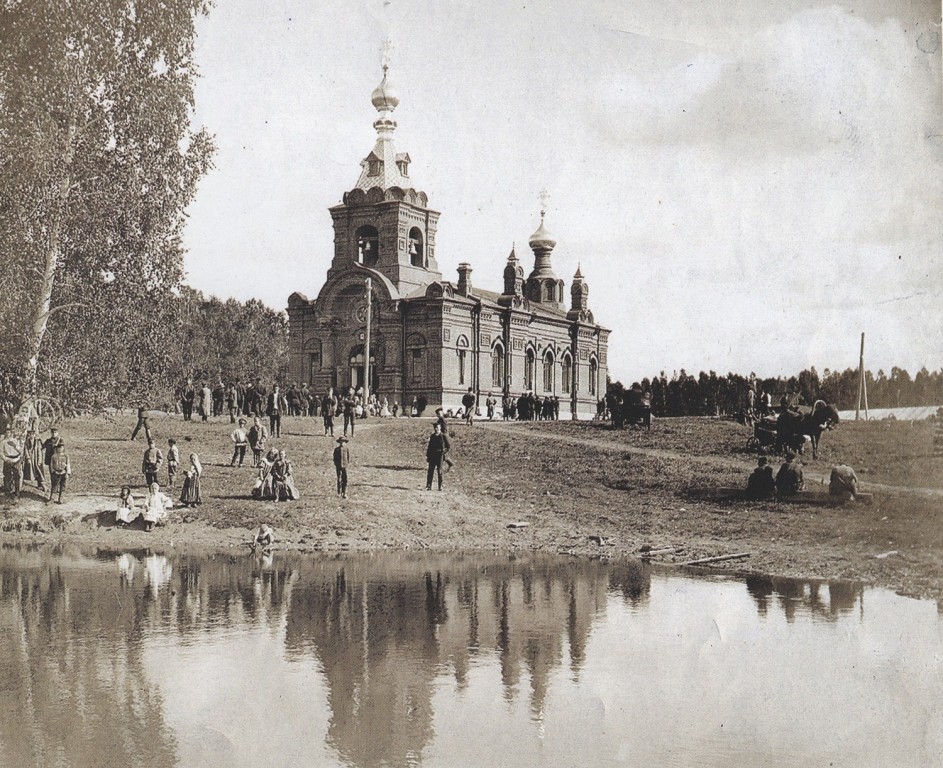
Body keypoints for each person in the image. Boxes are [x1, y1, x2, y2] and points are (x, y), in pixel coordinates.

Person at [425, 422, 451, 491]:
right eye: (435, 428)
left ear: (440, 428)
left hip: (440, 456)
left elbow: (448, 446)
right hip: (432, 455)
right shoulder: (432, 436)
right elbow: (429, 447)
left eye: (438, 427)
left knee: (439, 471)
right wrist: (428, 456)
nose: (436, 429)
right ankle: (429, 485)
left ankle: (440, 486)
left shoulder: (443, 436)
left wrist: (443, 452)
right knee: (430, 471)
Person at [23, 428, 45, 492]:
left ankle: (40, 484)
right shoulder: (26, 442)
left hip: (36, 459)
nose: (31, 436)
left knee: (39, 471)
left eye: (32, 434)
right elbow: (26, 450)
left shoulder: (37, 442)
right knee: (29, 470)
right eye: (30, 434)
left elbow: (39, 452)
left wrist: (39, 460)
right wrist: (28, 458)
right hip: (30, 458)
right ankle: (23, 481)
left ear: (34, 435)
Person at [2, 434, 23, 499]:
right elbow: (1, 452)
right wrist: (5, 459)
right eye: (7, 432)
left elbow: (20, 451)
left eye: (9, 432)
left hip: (16, 459)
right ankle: (7, 492)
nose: (8, 434)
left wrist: (15, 446)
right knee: (7, 476)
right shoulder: (3, 442)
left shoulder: (16, 441)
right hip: (7, 459)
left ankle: (17, 492)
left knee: (17, 476)